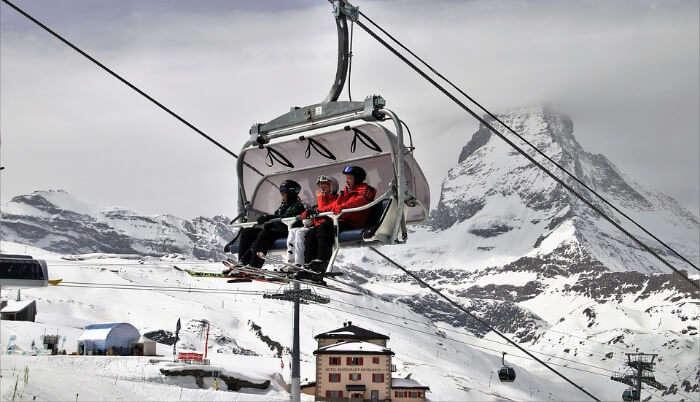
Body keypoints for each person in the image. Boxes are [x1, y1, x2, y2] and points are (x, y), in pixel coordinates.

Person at [302, 165, 376, 278]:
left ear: (358, 178)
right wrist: (316, 211)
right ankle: (308, 265)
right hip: (342, 220)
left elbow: (358, 202)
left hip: (353, 223)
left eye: (350, 178)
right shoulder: (346, 192)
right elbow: (333, 205)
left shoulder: (365, 191)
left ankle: (322, 262)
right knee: (312, 232)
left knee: (325, 227)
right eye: (346, 178)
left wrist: (342, 207)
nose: (347, 181)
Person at [232, 180, 305, 269]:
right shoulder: (283, 206)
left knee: (265, 234)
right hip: (277, 230)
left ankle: (254, 265)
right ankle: (243, 262)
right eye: (281, 192)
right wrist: (267, 219)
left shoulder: (297, 206)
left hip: (288, 231)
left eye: (283, 193)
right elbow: (277, 216)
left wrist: (270, 220)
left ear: (291, 193)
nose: (282, 195)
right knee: (247, 232)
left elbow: (285, 219)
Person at [286, 175, 338, 266]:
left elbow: (327, 210)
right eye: (321, 187)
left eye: (325, 186)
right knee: (296, 231)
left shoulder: (336, 199)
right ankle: (297, 263)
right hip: (317, 226)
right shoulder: (318, 202)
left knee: (310, 234)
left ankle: (315, 263)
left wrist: (320, 201)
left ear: (332, 187)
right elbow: (308, 213)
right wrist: (305, 217)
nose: (322, 189)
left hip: (329, 226)